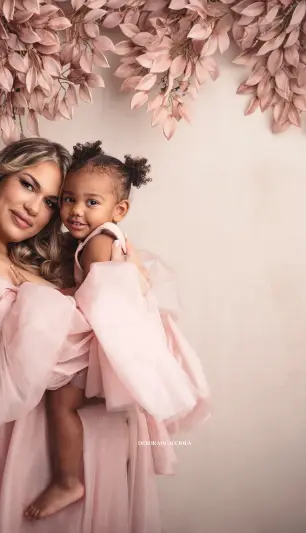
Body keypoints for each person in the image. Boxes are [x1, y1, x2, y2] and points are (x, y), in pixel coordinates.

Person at [0, 137, 206, 533]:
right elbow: (61, 346)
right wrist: (124, 294)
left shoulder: (35, 265)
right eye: (28, 185)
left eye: (52, 201)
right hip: (15, 456)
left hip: (87, 449)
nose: (35, 208)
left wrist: (124, 283)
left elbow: (100, 328)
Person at [24, 141, 211, 520]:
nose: (75, 211)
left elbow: (96, 298)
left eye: (91, 202)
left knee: (61, 403)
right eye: (68, 199)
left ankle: (68, 480)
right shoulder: (114, 238)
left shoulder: (99, 241)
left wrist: (56, 293)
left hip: (105, 331)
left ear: (119, 209)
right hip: (120, 325)